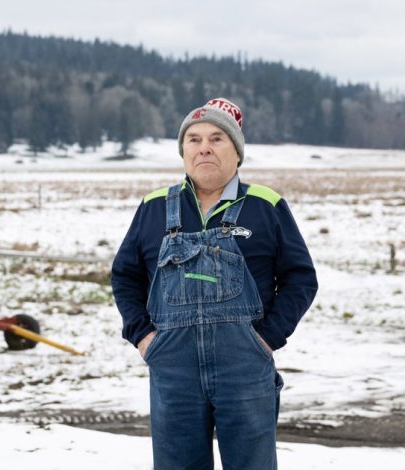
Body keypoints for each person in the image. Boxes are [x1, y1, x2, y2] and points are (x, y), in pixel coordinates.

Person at [111, 97, 318, 469]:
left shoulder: (265, 205)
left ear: (237, 152)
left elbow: (300, 277)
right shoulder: (154, 207)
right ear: (184, 152)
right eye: (194, 139)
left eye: (216, 138)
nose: (204, 147)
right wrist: (143, 336)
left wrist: (267, 338)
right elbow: (125, 276)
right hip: (173, 368)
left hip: (244, 366)